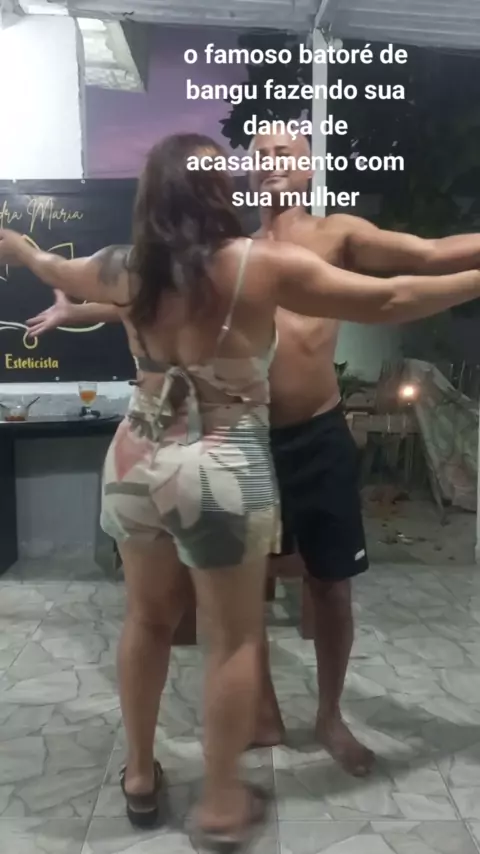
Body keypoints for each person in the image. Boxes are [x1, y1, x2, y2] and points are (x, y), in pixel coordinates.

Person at [6, 136, 480, 847]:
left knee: (147, 620)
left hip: (134, 458)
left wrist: (17, 245)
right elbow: (392, 298)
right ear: (218, 190)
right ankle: (223, 803)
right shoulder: (258, 264)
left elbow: (49, 265)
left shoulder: (124, 265)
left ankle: (140, 775)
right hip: (222, 461)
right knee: (231, 638)